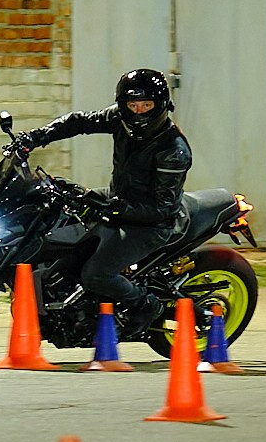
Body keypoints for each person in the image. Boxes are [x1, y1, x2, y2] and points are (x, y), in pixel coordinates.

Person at [13, 68, 193, 320]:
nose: (138, 111)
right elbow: (79, 121)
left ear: (161, 105)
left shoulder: (173, 151)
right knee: (59, 205)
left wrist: (116, 209)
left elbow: (160, 208)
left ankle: (146, 304)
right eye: (133, 104)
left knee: (97, 274)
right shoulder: (120, 119)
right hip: (118, 199)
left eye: (146, 104)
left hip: (151, 224)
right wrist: (36, 137)